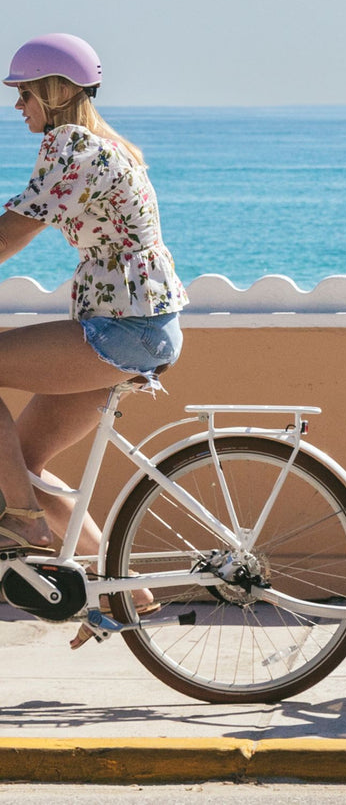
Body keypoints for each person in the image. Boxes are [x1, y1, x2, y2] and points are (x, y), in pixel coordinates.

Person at [0, 33, 188, 640]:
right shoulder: (106, 146)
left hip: (123, 332)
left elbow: (10, 235)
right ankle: (129, 588)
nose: (18, 106)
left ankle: (27, 529)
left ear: (53, 93)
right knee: (20, 465)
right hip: (132, 328)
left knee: (18, 491)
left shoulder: (71, 145)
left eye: (24, 93)